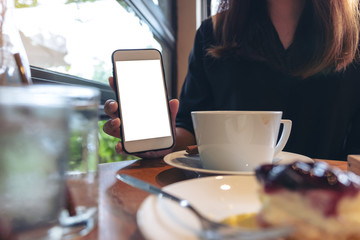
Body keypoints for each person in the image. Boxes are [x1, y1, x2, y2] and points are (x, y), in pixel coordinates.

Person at [103, 0, 360, 160]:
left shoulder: (354, 34)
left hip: (328, 201)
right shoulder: (213, 33)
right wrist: (160, 141)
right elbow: (190, 131)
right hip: (227, 196)